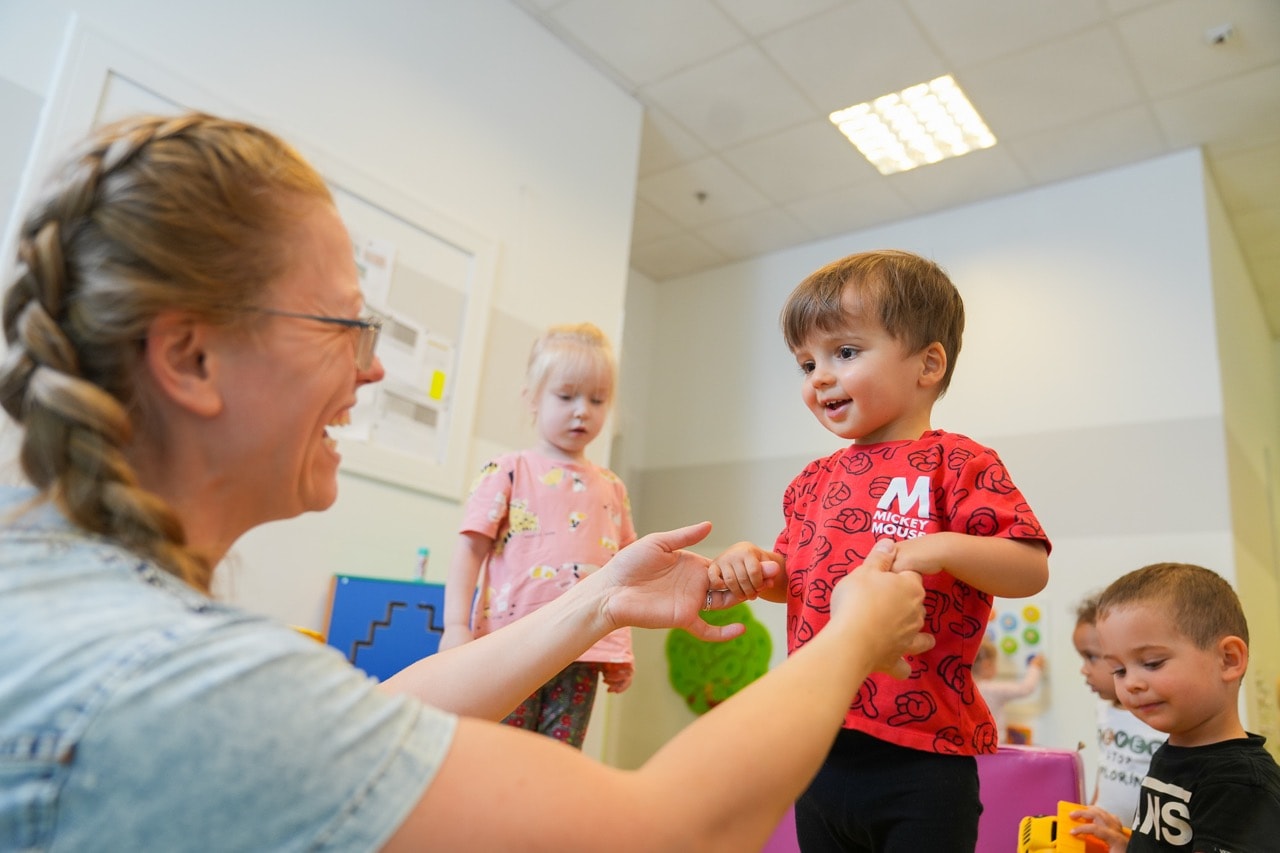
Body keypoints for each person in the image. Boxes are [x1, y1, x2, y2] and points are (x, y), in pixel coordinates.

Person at [0, 112, 935, 852]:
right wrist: (849, 637)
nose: (372, 370)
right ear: (190, 356)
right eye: (345, 327)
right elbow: (669, 830)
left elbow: (372, 724)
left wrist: (597, 602)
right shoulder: (172, 678)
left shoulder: (71, 610)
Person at [709, 249, 1051, 852]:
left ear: (928, 363)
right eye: (806, 362)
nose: (818, 376)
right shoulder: (811, 482)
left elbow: (1029, 567)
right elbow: (792, 577)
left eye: (844, 352)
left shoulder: (958, 461)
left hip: (921, 755)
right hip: (818, 740)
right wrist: (752, 566)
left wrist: (946, 546)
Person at [440, 322, 635, 748]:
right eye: (566, 397)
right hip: (510, 645)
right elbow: (469, 552)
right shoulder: (508, 471)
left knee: (557, 759)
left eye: (597, 399)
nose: (582, 410)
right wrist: (455, 624)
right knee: (501, 753)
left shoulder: (612, 488)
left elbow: (623, 572)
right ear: (532, 398)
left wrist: (619, 648)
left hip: (579, 648)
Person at [1070, 563, 1280, 851]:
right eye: (1118, 670)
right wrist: (1125, 844)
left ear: (1229, 660)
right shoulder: (1172, 754)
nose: (1131, 683)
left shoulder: (1240, 785)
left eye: (1152, 663)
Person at [1071, 594, 1163, 821]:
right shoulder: (1104, 708)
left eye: (1091, 657)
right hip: (1106, 828)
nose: (1084, 670)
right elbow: (1107, 767)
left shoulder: (1157, 716)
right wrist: (1092, 807)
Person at [972, 639, 1045, 744]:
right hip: (994, 746)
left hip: (972, 747)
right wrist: (1035, 666)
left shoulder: (964, 688)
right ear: (986, 665)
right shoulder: (991, 689)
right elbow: (1025, 689)